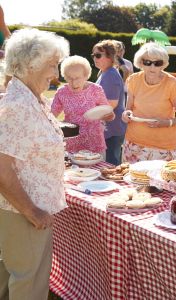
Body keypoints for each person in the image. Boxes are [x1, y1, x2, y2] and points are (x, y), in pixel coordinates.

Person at [0, 28, 69, 300]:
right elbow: (2, 169)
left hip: (35, 206)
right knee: (28, 282)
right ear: (32, 64)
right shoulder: (17, 105)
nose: (56, 73)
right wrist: (31, 211)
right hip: (23, 209)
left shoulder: (32, 99)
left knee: (17, 276)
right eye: (53, 65)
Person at [121, 42, 176, 163]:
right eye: (148, 62)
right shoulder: (133, 80)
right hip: (133, 144)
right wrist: (126, 115)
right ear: (141, 63)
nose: (152, 67)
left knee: (160, 182)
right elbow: (128, 109)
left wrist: (167, 123)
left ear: (163, 65)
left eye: (157, 63)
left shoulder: (170, 82)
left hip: (162, 147)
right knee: (130, 180)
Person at [51, 55, 115, 154]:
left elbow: (108, 113)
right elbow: (51, 116)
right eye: (69, 78)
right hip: (72, 143)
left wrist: (109, 116)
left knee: (97, 169)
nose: (73, 82)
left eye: (77, 78)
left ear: (86, 75)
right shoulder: (62, 92)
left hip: (94, 142)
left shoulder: (96, 90)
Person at [92, 40, 126, 165]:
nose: (95, 58)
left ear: (110, 57)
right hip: (111, 127)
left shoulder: (110, 75)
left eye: (98, 55)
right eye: (94, 55)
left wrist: (89, 111)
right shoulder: (105, 73)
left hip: (112, 127)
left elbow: (111, 104)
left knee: (111, 165)